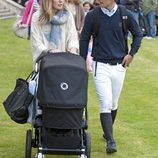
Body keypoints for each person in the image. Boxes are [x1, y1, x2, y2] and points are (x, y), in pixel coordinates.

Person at [80, 0, 142, 154]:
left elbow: (138, 34)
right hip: (100, 65)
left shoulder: (124, 14)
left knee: (114, 103)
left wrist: (131, 53)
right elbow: (84, 38)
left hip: (120, 66)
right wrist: (81, 62)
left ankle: (107, 132)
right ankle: (110, 141)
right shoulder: (93, 15)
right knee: (105, 102)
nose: (98, 0)